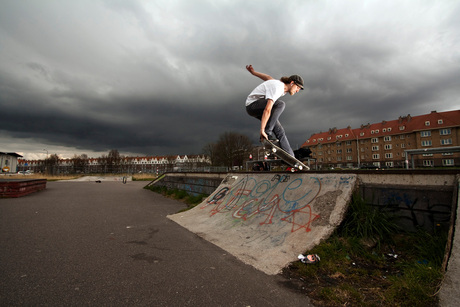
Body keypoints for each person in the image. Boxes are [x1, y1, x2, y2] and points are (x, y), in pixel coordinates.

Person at [245, 64, 304, 158]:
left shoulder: (277, 84)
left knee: (280, 131)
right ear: (292, 83)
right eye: (297, 88)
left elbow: (267, 77)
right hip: (252, 105)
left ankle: (290, 157)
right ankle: (267, 133)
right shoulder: (278, 88)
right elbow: (267, 109)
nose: (297, 91)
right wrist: (262, 130)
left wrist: (253, 73)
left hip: (259, 108)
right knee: (280, 104)